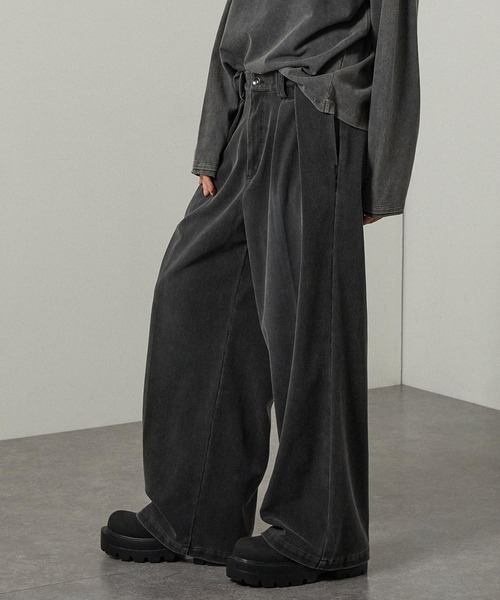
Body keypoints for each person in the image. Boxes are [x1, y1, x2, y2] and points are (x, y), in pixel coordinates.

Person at [100, 0, 420, 588]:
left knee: (309, 328)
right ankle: (196, 515)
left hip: (318, 113)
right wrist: (213, 135)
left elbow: (396, 36)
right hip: (249, 112)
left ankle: (322, 534)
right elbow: (236, 16)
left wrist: (382, 176)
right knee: (192, 293)